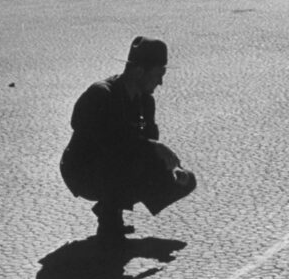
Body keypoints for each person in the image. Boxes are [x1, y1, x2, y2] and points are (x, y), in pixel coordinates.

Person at [60, 36, 196, 244]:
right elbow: (105, 143)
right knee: (124, 161)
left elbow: (147, 143)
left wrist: (170, 168)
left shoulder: (145, 102)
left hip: (117, 165)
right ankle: (109, 215)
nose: (160, 82)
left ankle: (110, 207)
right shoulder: (101, 94)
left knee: (184, 180)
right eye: (158, 75)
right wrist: (150, 147)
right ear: (139, 71)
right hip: (83, 169)